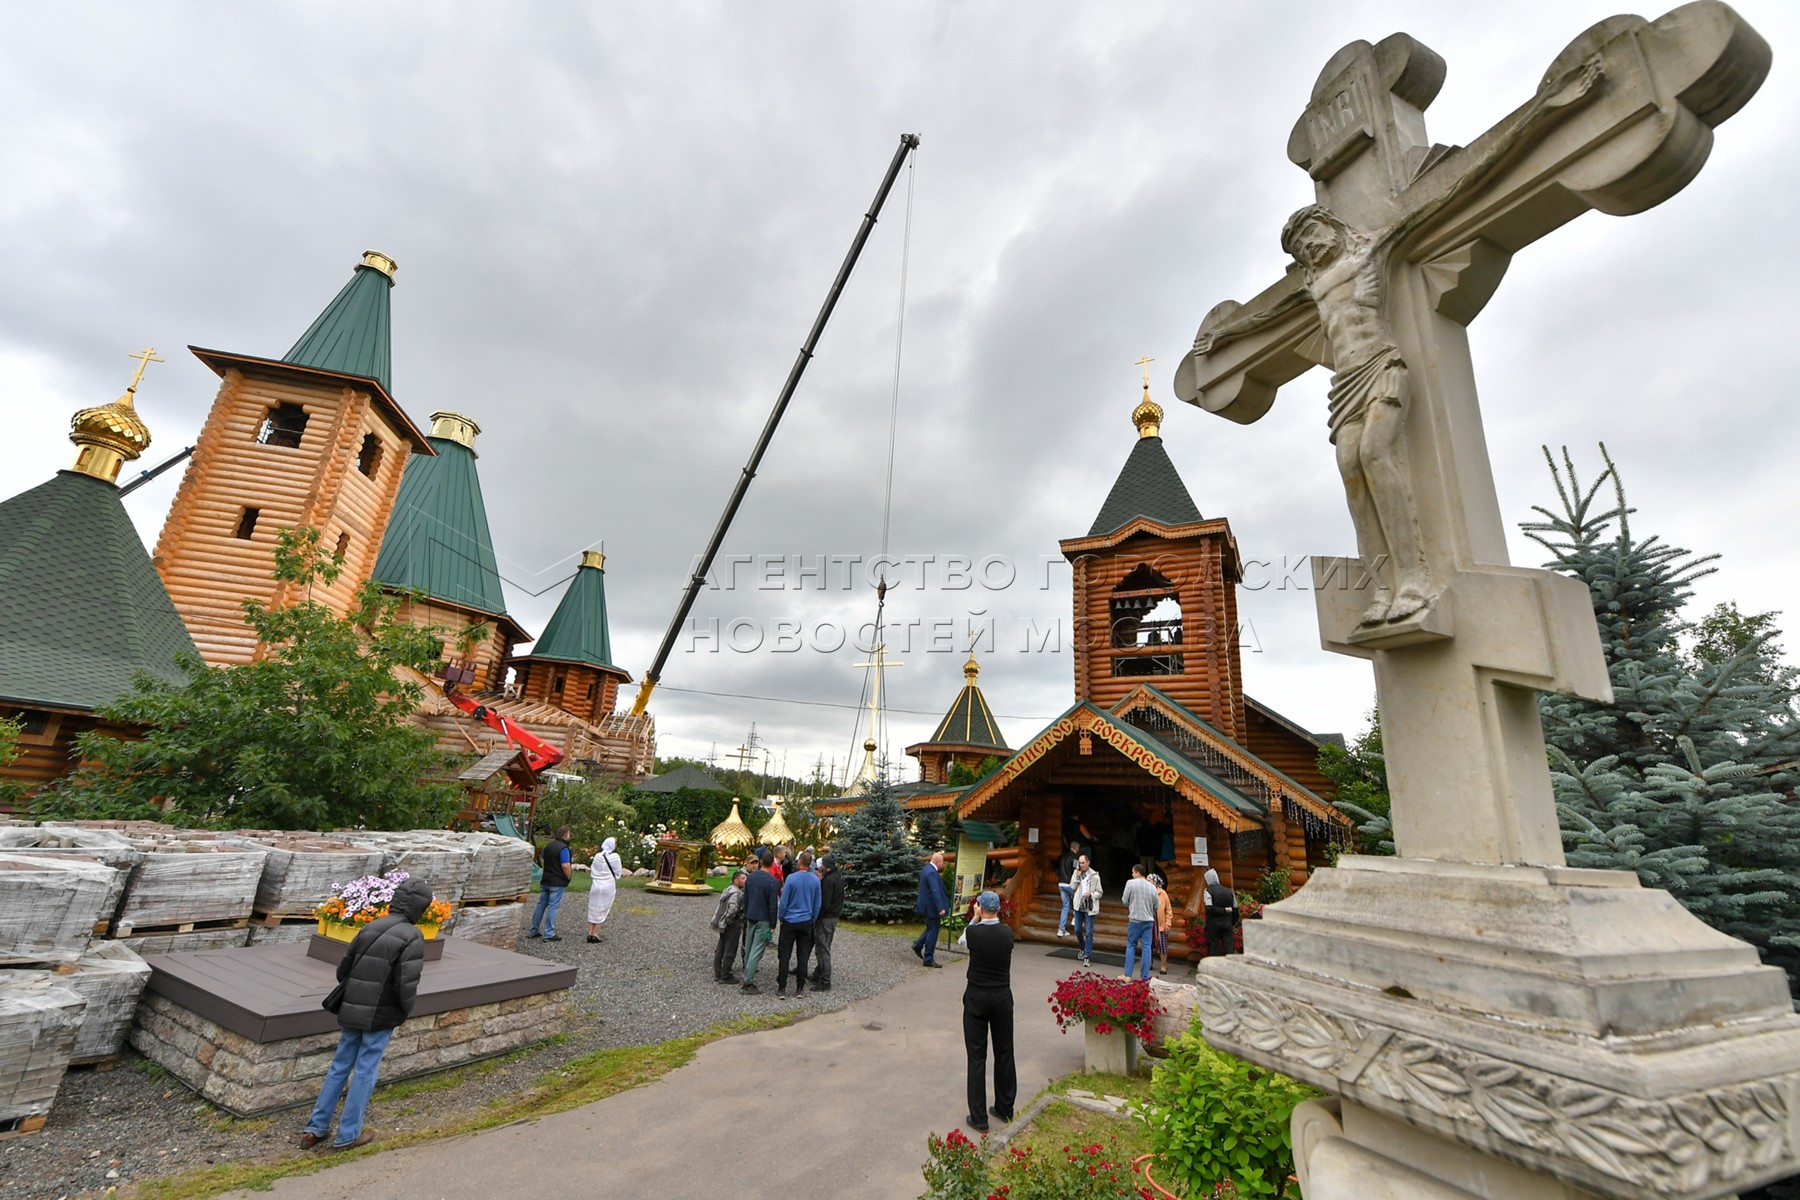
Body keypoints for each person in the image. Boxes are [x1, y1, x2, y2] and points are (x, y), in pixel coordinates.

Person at [299, 877, 433, 1151]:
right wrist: (404, 1011)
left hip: (351, 1008)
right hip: (380, 1014)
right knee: (365, 1071)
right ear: (420, 907)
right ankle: (348, 1134)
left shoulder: (371, 926)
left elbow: (342, 971)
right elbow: (405, 985)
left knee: (339, 1066)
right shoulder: (412, 936)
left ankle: (315, 1128)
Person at [960, 890, 1015, 1135]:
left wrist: (974, 918)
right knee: (1004, 1051)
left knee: (976, 1055)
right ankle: (1005, 1107)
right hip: (1002, 996)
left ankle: (979, 1117)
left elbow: (963, 942)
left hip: (977, 997)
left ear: (980, 908)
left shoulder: (973, 932)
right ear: (999, 909)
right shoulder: (1007, 933)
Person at [775, 850, 822, 996]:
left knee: (784, 954)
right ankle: (800, 987)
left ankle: (782, 987)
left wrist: (781, 917)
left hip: (789, 920)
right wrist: (812, 918)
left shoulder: (791, 879)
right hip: (806, 921)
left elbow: (784, 901)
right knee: (803, 955)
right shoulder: (815, 880)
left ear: (799, 862)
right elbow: (817, 903)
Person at [740, 853, 780, 994]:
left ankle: (746, 973)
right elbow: (773, 905)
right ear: (772, 864)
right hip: (764, 920)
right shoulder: (772, 881)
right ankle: (748, 982)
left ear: (761, 862)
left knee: (749, 947)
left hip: (751, 916)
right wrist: (773, 924)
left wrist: (746, 912)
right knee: (757, 950)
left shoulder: (751, 878)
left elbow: (746, 897)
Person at [528, 826, 572, 941]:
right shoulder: (564, 849)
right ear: (566, 836)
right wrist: (568, 877)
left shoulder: (548, 846)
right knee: (553, 906)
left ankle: (534, 930)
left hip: (546, 879)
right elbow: (565, 865)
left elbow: (542, 858)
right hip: (557, 881)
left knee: (541, 905)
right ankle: (549, 933)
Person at [811, 854, 844, 991]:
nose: (820, 867)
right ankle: (818, 972)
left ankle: (825, 980)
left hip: (826, 918)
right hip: (833, 916)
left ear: (827, 867)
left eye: (822, 865)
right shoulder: (837, 877)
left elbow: (825, 903)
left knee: (822, 948)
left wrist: (816, 917)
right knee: (825, 945)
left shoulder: (828, 881)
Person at [1120, 863, 1158, 981]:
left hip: (1135, 920)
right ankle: (1145, 977)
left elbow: (1124, 900)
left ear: (1137, 872)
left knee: (1131, 945)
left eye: (1133, 872)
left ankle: (1127, 975)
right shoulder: (1152, 887)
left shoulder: (1130, 883)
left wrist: (1132, 904)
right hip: (1148, 921)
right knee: (1146, 948)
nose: (1132, 874)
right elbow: (1156, 905)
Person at [912, 850, 950, 968]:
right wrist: (940, 908)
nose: (943, 865)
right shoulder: (932, 873)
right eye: (942, 862)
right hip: (933, 908)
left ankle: (918, 945)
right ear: (938, 862)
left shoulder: (926, 869)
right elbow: (935, 891)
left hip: (927, 906)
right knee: (933, 932)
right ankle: (928, 958)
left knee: (930, 928)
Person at [711, 869, 747, 983]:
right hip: (731, 923)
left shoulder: (727, 890)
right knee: (730, 949)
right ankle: (726, 975)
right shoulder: (736, 894)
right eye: (743, 878)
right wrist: (729, 921)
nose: (745, 880)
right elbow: (732, 909)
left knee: (721, 946)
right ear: (736, 881)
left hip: (722, 922)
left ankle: (718, 972)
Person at [586, 836, 622, 944]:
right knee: (602, 908)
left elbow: (593, 870)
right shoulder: (615, 857)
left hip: (596, 885)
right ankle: (596, 934)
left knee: (593, 908)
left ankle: (590, 933)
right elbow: (618, 873)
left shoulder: (597, 856)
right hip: (608, 885)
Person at [1069, 854, 1102, 968]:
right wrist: (1077, 876)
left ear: (1088, 863)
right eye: (1080, 863)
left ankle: (1087, 956)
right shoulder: (1076, 873)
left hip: (1090, 907)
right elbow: (1072, 887)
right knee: (1077, 929)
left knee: (1089, 932)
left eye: (1083, 863)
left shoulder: (1095, 876)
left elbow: (1100, 892)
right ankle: (1083, 948)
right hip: (1079, 906)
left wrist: (1091, 894)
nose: (1081, 865)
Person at [1202, 867, 1238, 958]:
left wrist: (1223, 910)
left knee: (1213, 947)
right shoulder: (1229, 892)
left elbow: (1209, 908)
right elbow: (1236, 909)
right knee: (1229, 947)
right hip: (1227, 924)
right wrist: (1232, 922)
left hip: (1213, 924)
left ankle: (1214, 969)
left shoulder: (1208, 891)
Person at [1056, 839, 1083, 939]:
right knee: (1079, 897)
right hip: (1069, 884)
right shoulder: (1075, 857)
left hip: (1061, 883)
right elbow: (1076, 871)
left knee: (1065, 906)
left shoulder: (1063, 856)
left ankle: (1061, 930)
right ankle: (1075, 918)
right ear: (1076, 849)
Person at [1152, 873, 1174, 976]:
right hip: (1149, 921)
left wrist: (1168, 924)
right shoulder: (1146, 892)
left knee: (1163, 946)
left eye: (1150, 880)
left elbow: (1168, 910)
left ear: (1155, 882)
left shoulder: (1162, 893)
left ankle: (1163, 966)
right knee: (1148, 944)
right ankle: (1149, 963)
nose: (1148, 882)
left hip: (1160, 922)